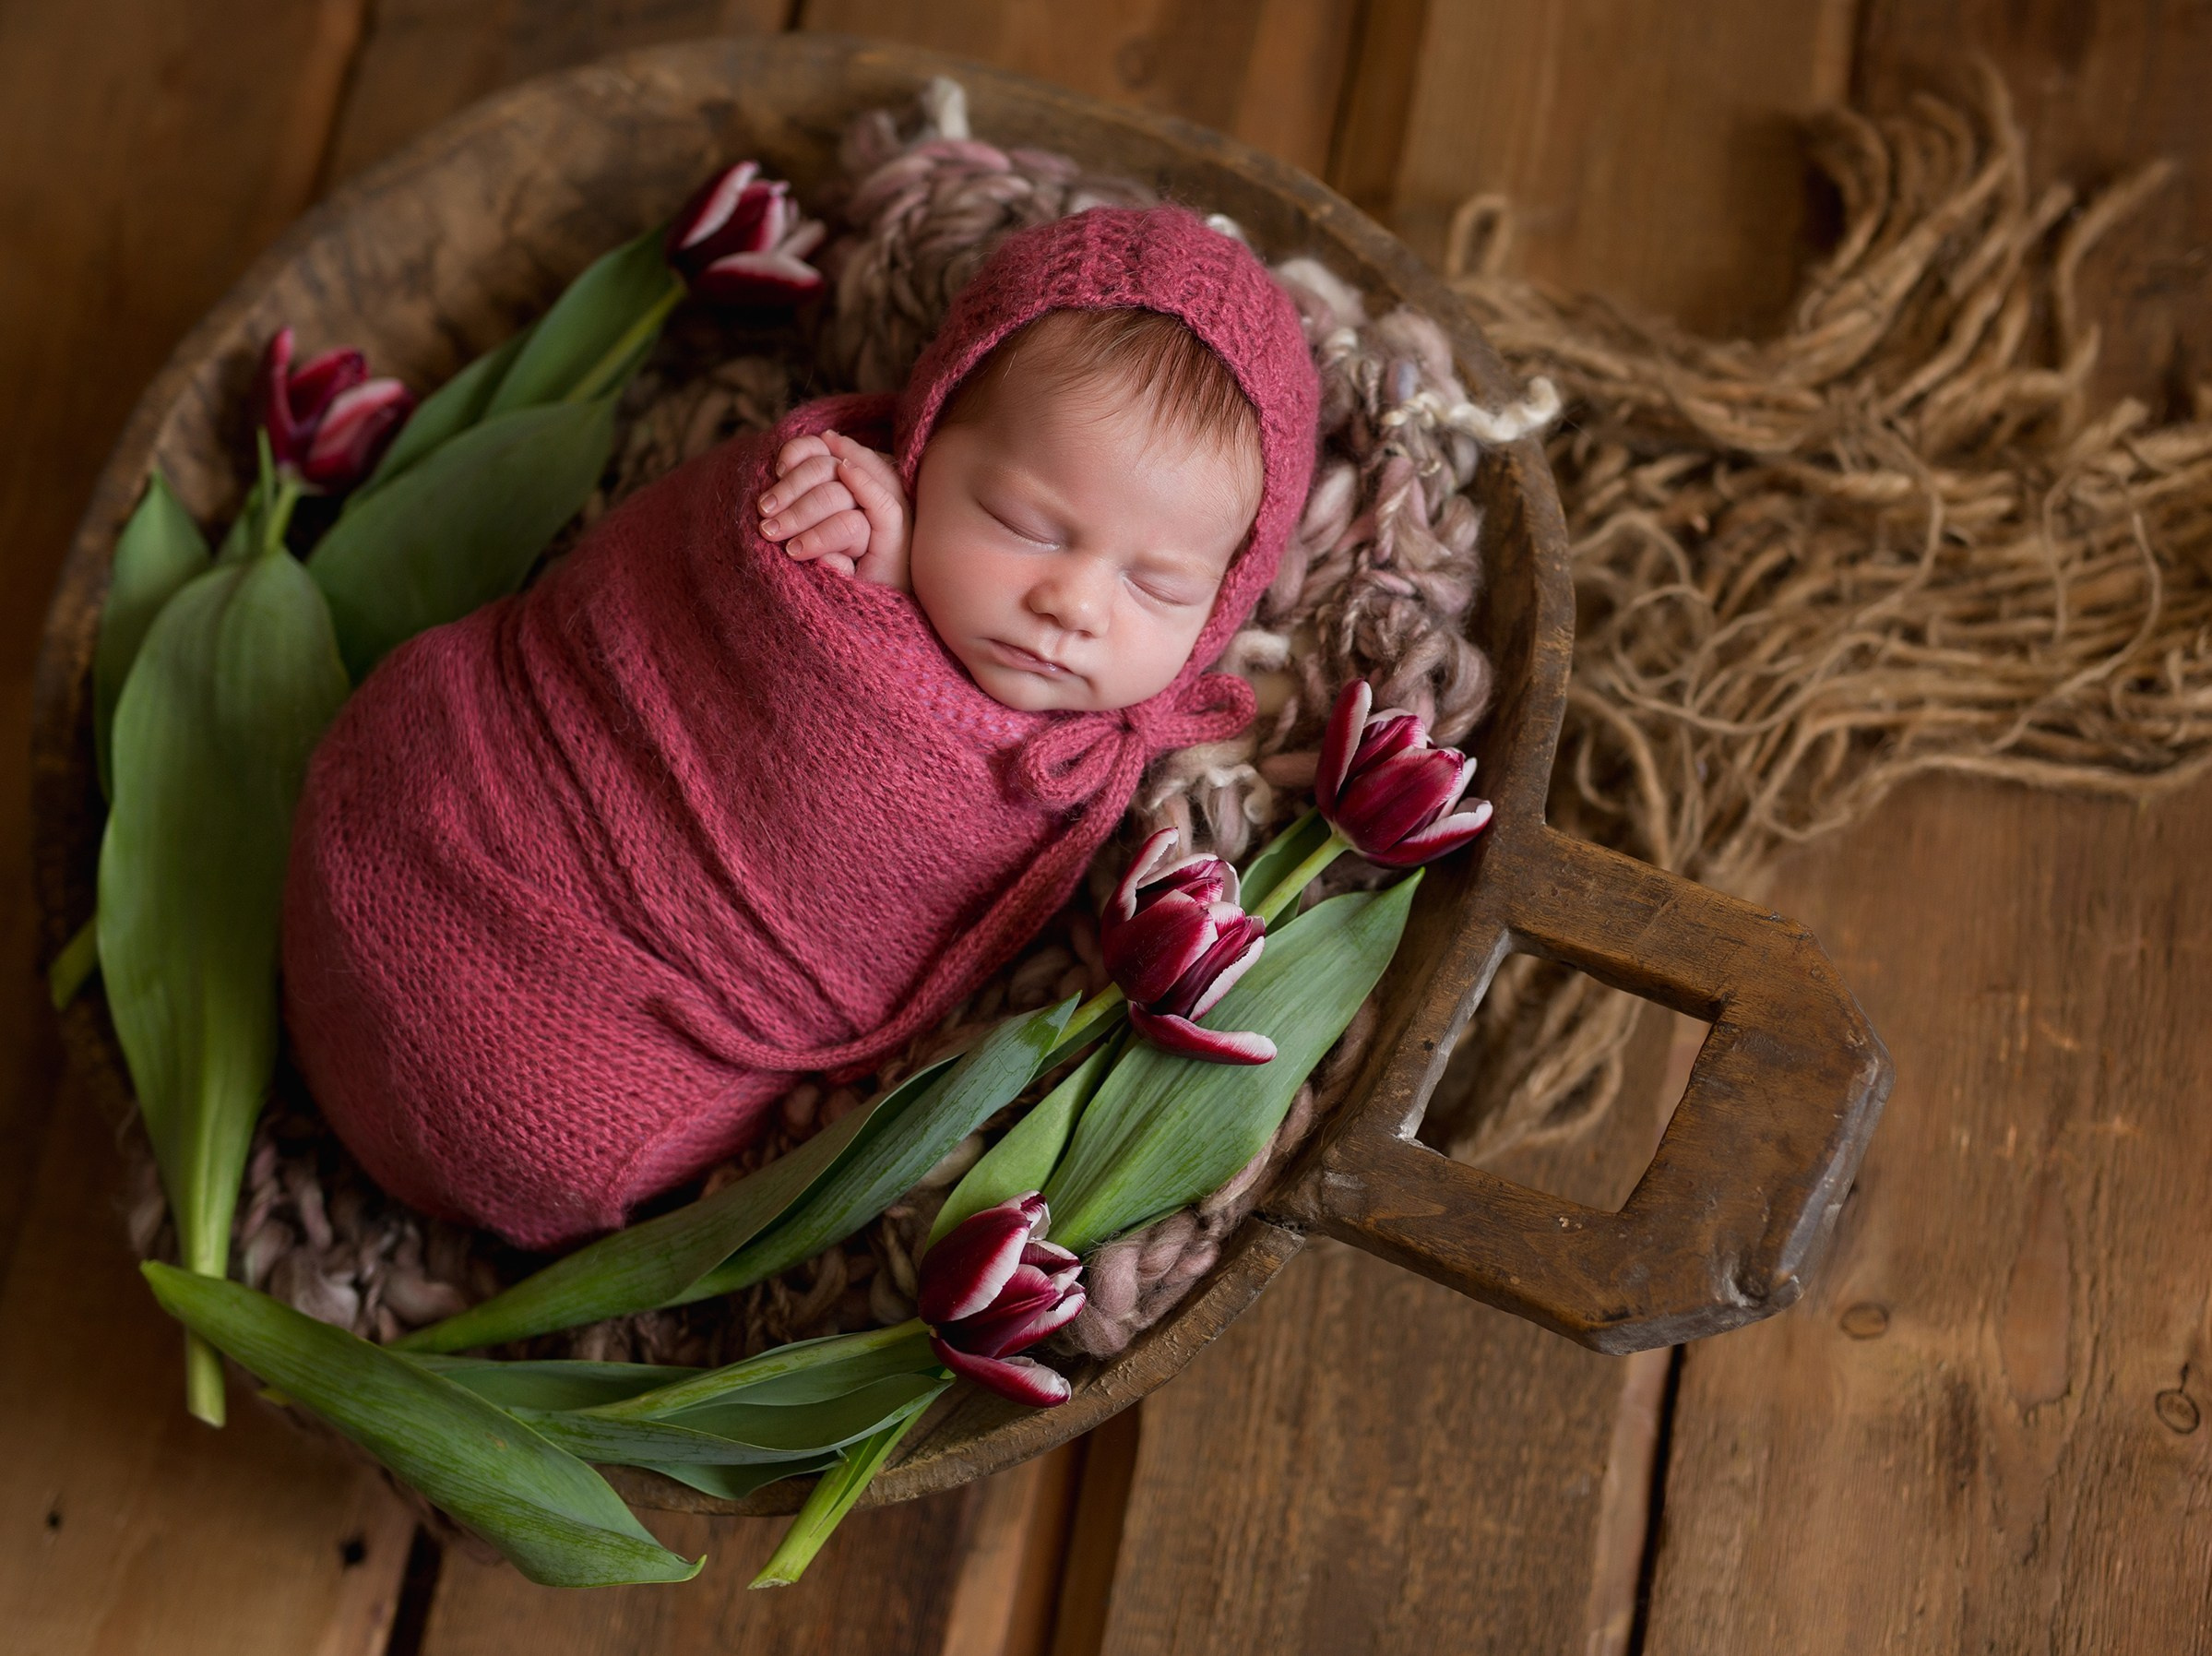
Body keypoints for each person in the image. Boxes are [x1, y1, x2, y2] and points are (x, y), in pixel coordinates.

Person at [282, 205, 1320, 1248]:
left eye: (1158, 586)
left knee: (543, 1114)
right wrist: (853, 574)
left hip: (568, 1056)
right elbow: (648, 604)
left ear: (1225, 602)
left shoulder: (1105, 765)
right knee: (404, 752)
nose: (1075, 605)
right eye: (1020, 524)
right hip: (448, 784)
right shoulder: (818, 509)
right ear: (920, 436)